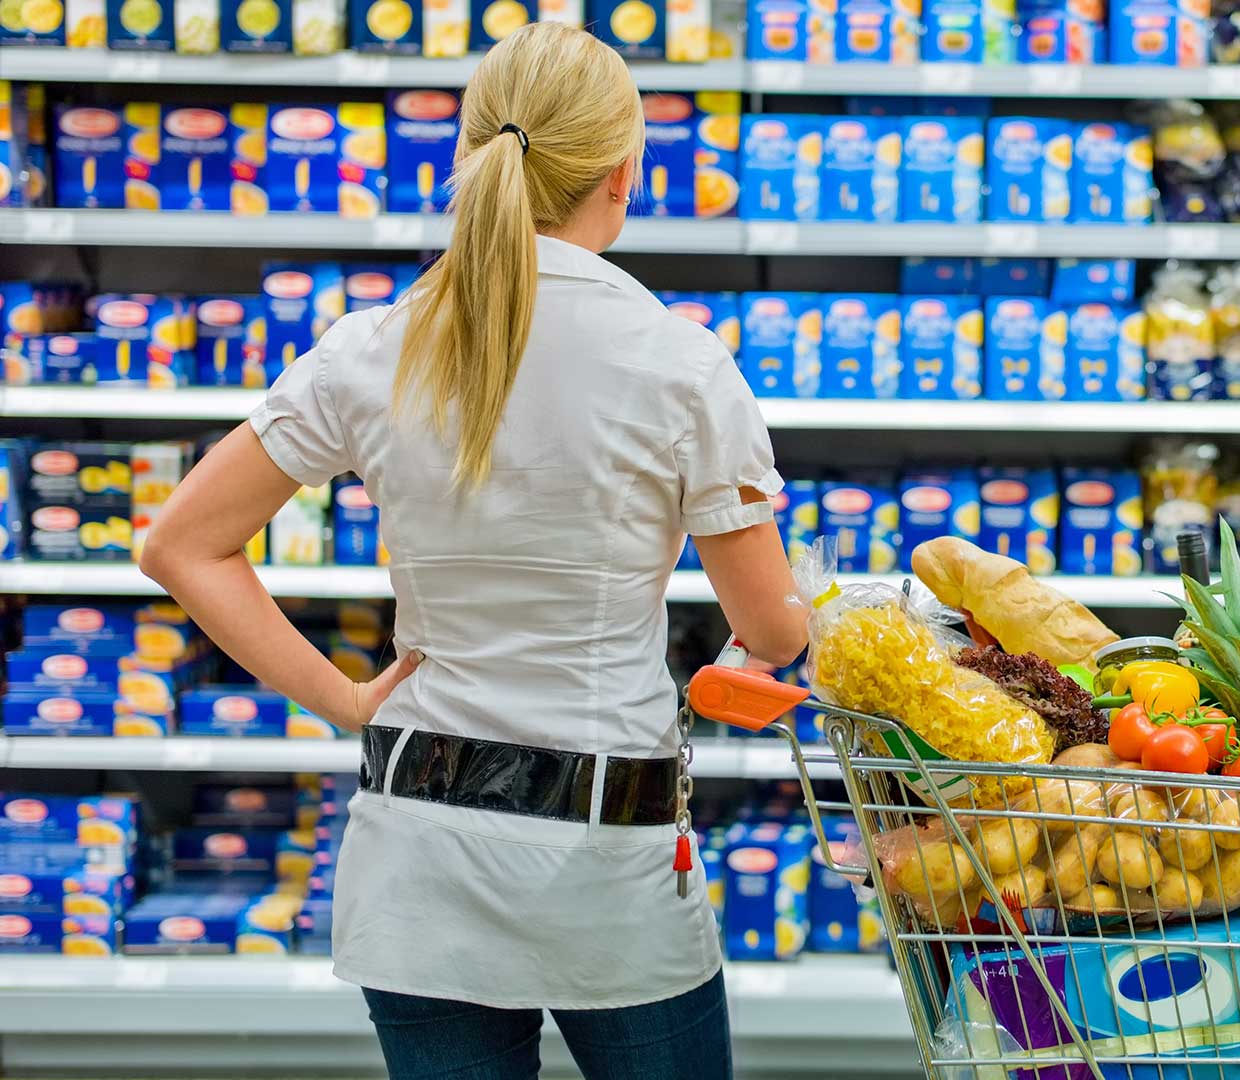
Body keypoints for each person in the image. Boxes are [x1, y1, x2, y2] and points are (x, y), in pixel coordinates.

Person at [140, 23, 808, 1080]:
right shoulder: (679, 365)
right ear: (623, 175)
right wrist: (783, 606)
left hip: (417, 855)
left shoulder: (371, 347)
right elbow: (772, 628)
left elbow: (181, 543)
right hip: (608, 866)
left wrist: (345, 698)